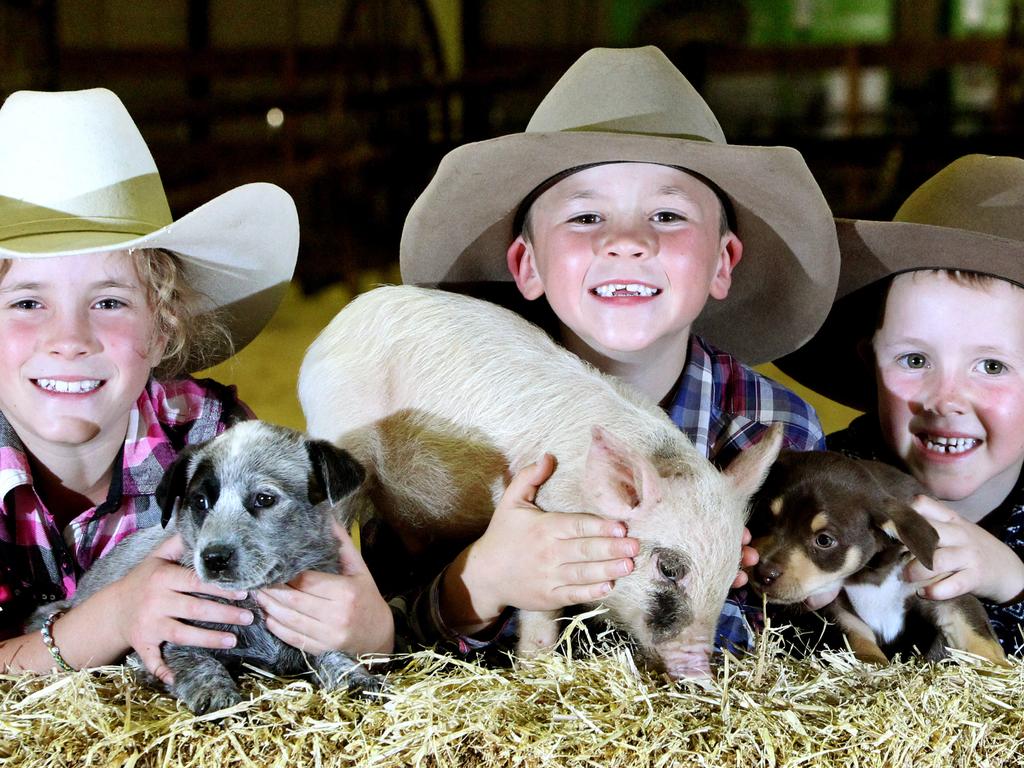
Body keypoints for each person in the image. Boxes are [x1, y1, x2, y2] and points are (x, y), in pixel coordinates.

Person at [387, 46, 841, 655]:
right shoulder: (448, 415)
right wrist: (480, 582)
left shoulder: (776, 431)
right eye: (585, 216)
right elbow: (380, 625)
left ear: (722, 263)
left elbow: (807, 649)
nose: (627, 240)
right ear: (526, 264)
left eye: (666, 212)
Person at [0, 87, 317, 682]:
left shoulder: (214, 437)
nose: (70, 339)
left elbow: (303, 582)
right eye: (26, 301)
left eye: (110, 300)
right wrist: (109, 620)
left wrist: (365, 630)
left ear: (165, 320)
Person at [776, 154, 1024, 655]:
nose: (946, 399)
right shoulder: (819, 481)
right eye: (914, 359)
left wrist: (1013, 581)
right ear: (870, 361)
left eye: (992, 367)